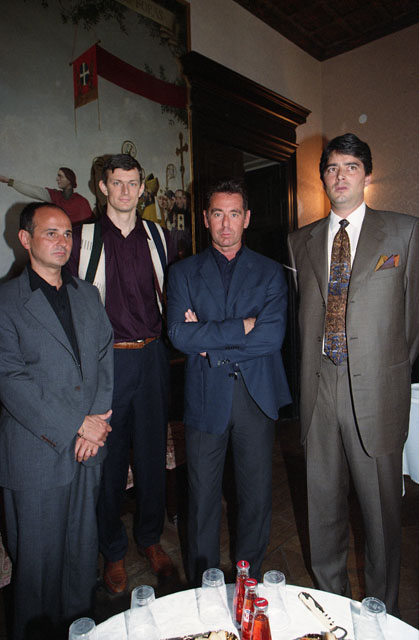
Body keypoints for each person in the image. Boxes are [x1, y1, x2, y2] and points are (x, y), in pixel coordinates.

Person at [287, 133, 419, 615]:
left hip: (377, 393)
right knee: (322, 507)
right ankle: (331, 606)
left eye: (350, 166)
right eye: (331, 168)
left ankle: (381, 615)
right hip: (319, 389)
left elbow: (412, 322)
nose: (340, 175)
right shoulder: (299, 241)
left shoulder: (404, 232)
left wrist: (383, 370)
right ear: (323, 178)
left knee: (381, 515)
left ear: (367, 174)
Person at [167, 179, 291, 585]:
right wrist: (242, 326)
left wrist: (210, 343)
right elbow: (179, 335)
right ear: (205, 219)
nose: (226, 224)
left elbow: (271, 337)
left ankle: (248, 584)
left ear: (247, 218)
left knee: (254, 497)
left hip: (256, 397)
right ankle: (202, 587)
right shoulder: (182, 273)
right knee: (201, 499)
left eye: (234, 214)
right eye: (217, 214)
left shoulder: (271, 272)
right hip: (205, 397)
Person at [0, 202, 113, 639]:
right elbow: (10, 380)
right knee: (38, 570)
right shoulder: (6, 302)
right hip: (36, 453)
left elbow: (104, 357)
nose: (62, 242)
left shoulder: (87, 294)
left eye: (67, 234)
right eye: (51, 233)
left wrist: (96, 423)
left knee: (82, 559)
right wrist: (78, 424)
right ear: (25, 239)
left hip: (88, 450)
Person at [68, 153, 174, 594]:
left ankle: (150, 539)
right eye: (118, 183)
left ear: (141, 188)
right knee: (108, 464)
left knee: (152, 457)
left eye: (133, 183)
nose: (126, 191)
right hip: (107, 362)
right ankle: (112, 550)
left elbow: (172, 292)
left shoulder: (159, 236)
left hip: (152, 359)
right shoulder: (83, 238)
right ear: (103, 187)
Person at [0, 167, 93, 224]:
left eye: (60, 176)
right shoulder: (56, 196)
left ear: (69, 180)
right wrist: (9, 181)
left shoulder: (81, 202)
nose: (57, 179)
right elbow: (33, 191)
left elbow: (90, 226)